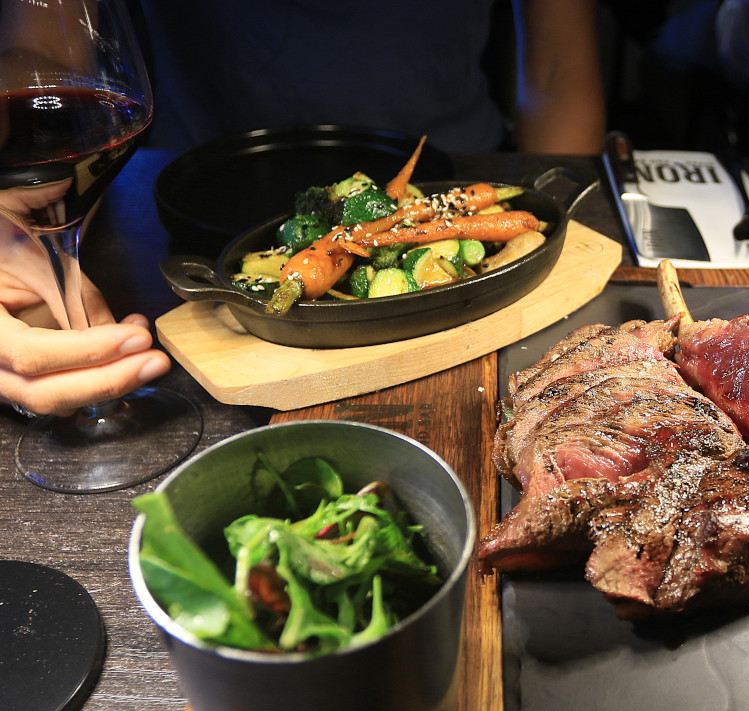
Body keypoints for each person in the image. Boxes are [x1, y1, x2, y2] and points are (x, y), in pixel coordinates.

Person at [1, 0, 605, 418]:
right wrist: (9, 231)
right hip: (185, 187)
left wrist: (559, 188)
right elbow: (44, 56)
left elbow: (558, 63)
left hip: (465, 158)